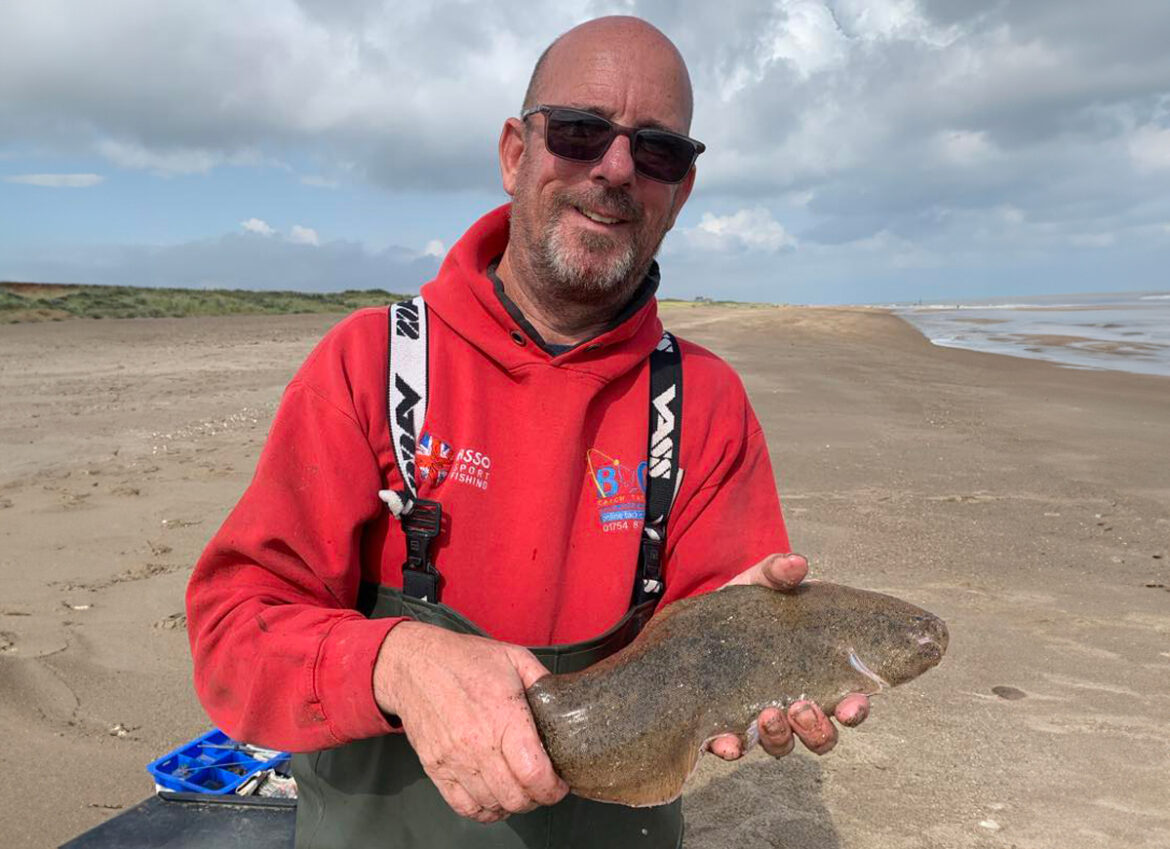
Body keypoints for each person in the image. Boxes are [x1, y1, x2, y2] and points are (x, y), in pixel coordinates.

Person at [186, 15, 868, 849]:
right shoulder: (370, 363)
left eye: (657, 151)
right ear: (516, 151)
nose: (615, 168)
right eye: (581, 132)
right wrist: (396, 661)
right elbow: (232, 630)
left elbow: (731, 645)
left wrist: (763, 662)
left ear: (681, 191)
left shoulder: (706, 403)